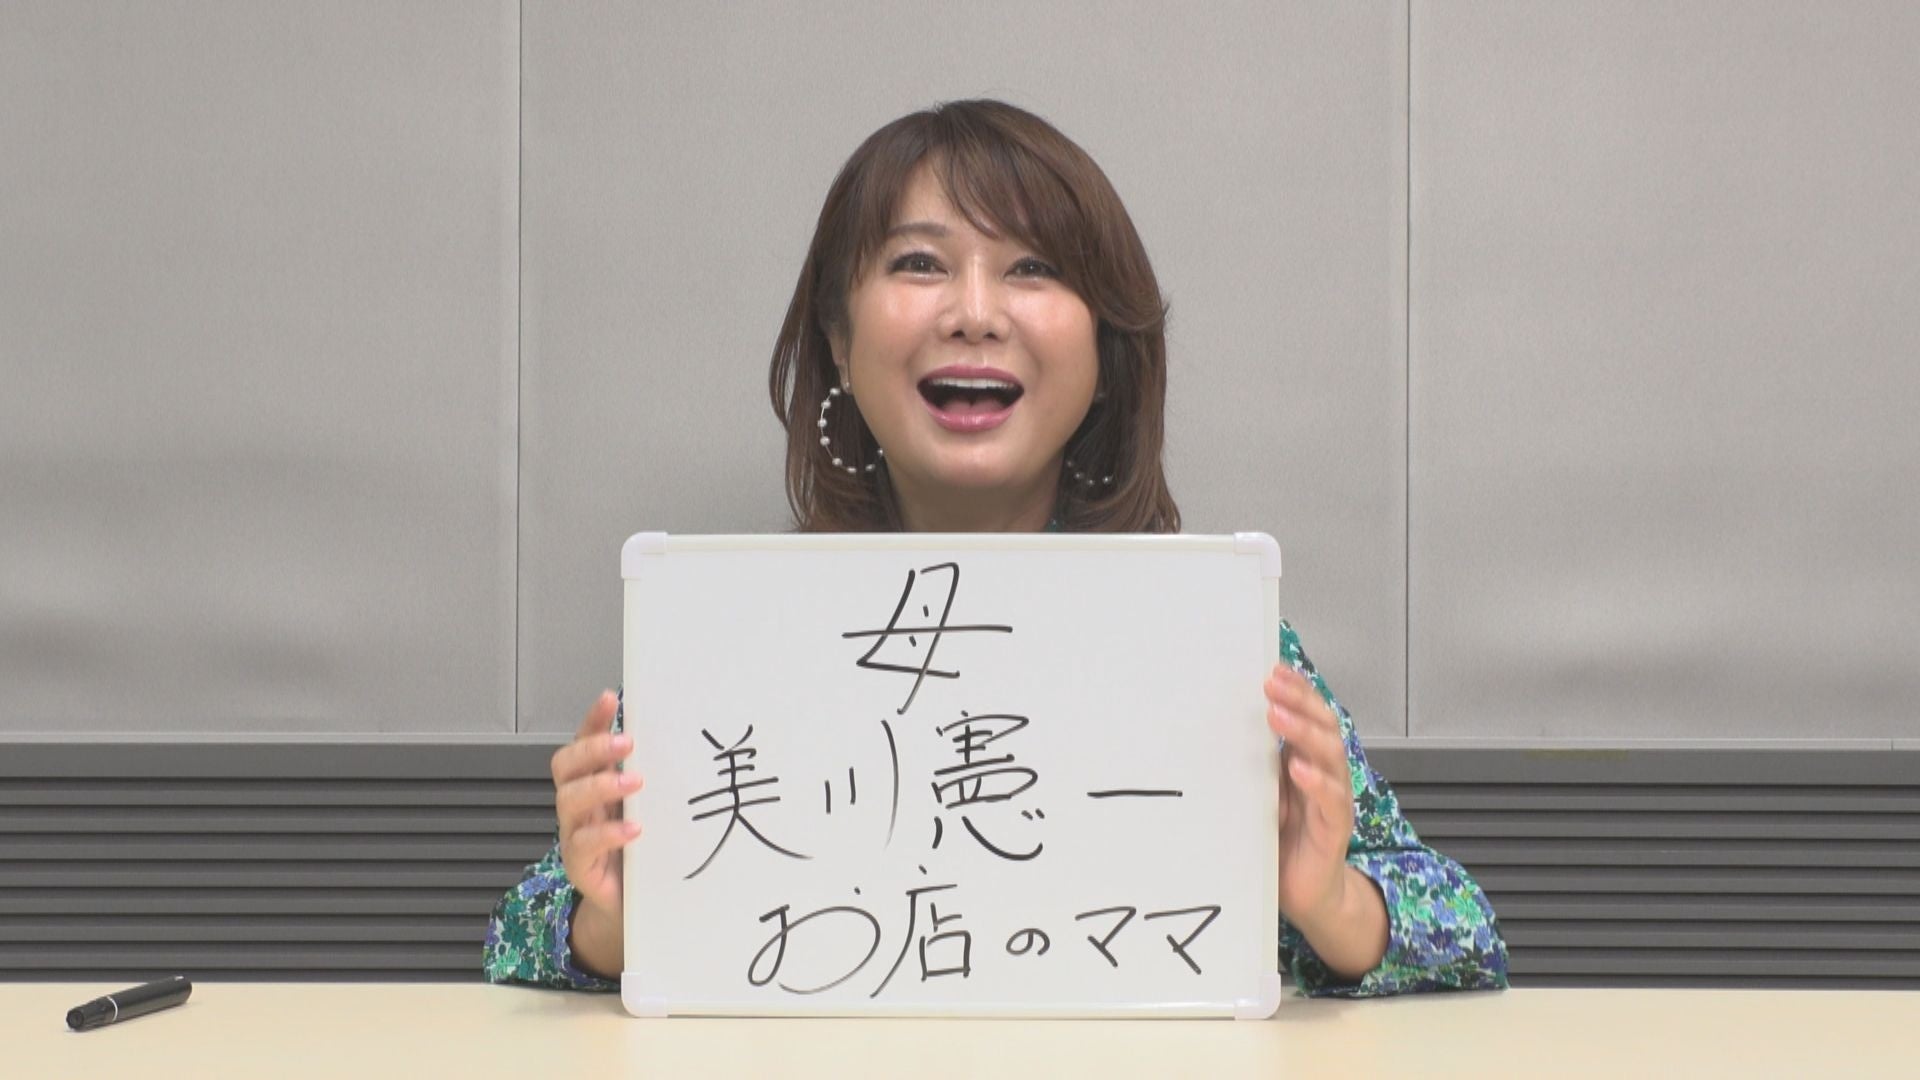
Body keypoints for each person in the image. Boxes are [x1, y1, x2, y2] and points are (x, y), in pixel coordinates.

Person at [484, 99, 1508, 998]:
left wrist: (1326, 899)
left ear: (1104, 349)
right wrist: (615, 921)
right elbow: (519, 935)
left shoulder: (1209, 634)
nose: (974, 314)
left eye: (1032, 269)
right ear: (839, 337)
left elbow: (1466, 932)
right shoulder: (744, 633)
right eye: (919, 264)